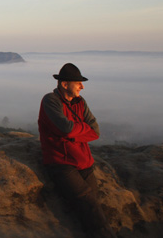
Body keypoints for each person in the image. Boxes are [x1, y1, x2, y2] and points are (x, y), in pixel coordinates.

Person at [38, 63, 116, 238]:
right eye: (78, 83)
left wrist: (73, 133)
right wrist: (79, 130)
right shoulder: (50, 100)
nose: (82, 86)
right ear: (64, 84)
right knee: (88, 204)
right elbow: (65, 128)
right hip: (61, 163)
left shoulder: (80, 102)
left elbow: (95, 131)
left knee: (93, 205)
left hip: (84, 162)